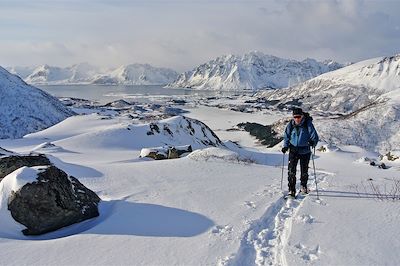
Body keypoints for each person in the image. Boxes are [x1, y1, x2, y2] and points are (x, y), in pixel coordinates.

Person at [281, 107, 319, 197]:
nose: (297, 118)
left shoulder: (308, 124)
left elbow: (314, 135)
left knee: (304, 170)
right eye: (295, 117)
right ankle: (291, 190)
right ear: (293, 117)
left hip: (305, 150)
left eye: (299, 116)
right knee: (291, 171)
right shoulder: (291, 124)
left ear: (302, 116)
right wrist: (285, 146)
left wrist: (313, 142)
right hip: (293, 150)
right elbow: (286, 136)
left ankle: (303, 186)